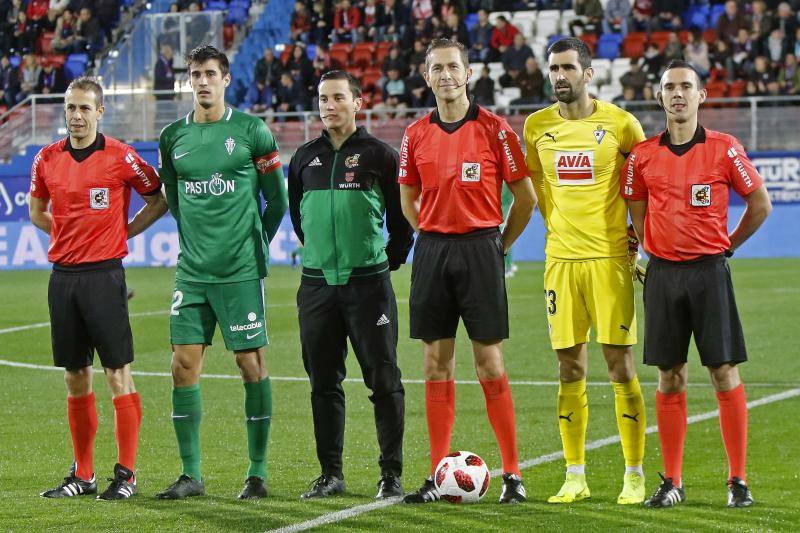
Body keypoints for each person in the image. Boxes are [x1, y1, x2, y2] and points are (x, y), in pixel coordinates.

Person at [622, 60, 772, 509]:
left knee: (723, 373)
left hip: (710, 272)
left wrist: (727, 246)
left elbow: (760, 205)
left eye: (686, 86)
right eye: (670, 87)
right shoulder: (643, 156)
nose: (678, 94)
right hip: (664, 276)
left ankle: (738, 481)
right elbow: (634, 206)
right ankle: (672, 481)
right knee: (670, 376)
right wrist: (651, 246)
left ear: (702, 96)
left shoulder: (725, 149)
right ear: (660, 96)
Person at [398, 39, 537, 505]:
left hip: (481, 248)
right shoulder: (415, 134)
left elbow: (526, 199)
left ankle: (513, 474)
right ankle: (440, 477)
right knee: (435, 363)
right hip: (433, 251)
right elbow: (406, 196)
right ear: (426, 75)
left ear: (468, 72)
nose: (446, 75)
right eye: (436, 68)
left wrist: (500, 244)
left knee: (489, 363)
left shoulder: (497, 130)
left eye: (453, 66)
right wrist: (428, 234)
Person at [156, 45, 289, 500]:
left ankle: (257, 471)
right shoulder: (173, 136)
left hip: (239, 272)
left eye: (211, 73)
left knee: (249, 365)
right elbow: (173, 198)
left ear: (226, 79)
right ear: (189, 80)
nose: (203, 81)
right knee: (182, 365)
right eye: (196, 74)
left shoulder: (252, 131)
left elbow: (278, 200)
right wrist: (198, 240)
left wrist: (255, 245)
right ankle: (190, 474)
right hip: (192, 272)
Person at [522, 37, 648, 505]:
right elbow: (538, 188)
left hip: (611, 261)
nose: (559, 76)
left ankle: (633, 474)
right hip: (560, 262)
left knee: (619, 367)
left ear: (588, 73)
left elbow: (641, 185)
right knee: (568, 366)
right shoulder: (535, 127)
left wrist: (640, 244)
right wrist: (559, 233)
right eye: (554, 68)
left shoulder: (620, 124)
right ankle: (575, 474)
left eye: (568, 68)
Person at [29, 76, 167, 500]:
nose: (76, 115)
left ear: (100, 111)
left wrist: (122, 233)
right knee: (75, 376)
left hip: (105, 276)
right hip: (63, 279)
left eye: (85, 108)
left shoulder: (121, 156)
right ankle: (83, 474)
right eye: (71, 107)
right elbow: (37, 211)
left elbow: (159, 197)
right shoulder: (46, 159)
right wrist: (68, 231)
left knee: (116, 373)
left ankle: (126, 474)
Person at [288, 70, 414, 500]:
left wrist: (384, 264)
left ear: (357, 103)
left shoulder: (380, 155)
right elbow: (299, 220)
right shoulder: (303, 158)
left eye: (338, 97)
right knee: (323, 382)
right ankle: (330, 474)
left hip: (369, 286)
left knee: (383, 379)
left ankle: (391, 474)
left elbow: (401, 223)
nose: (328, 105)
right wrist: (322, 257)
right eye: (323, 98)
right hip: (317, 288)